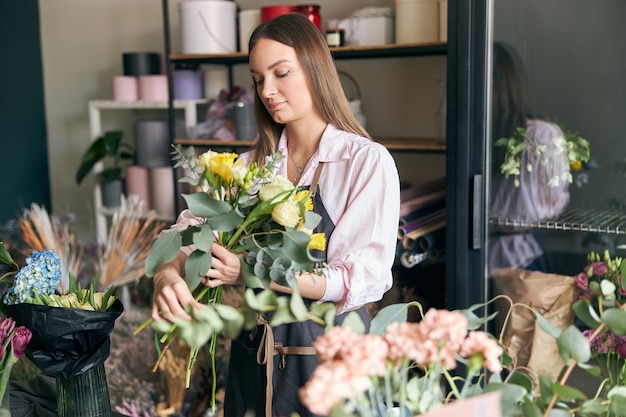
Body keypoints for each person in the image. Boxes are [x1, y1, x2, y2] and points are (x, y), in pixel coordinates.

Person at [151, 12, 401, 417]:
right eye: (257, 78)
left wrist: (251, 271)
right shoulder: (249, 167)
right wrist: (166, 274)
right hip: (257, 356)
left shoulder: (363, 162)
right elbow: (189, 230)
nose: (267, 89)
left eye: (281, 72)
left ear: (315, 69)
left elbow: (358, 279)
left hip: (329, 362)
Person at [488, 42, 570, 273]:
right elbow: (553, 202)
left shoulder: (470, 137)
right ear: (512, 84)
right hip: (521, 258)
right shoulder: (542, 136)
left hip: (468, 258)